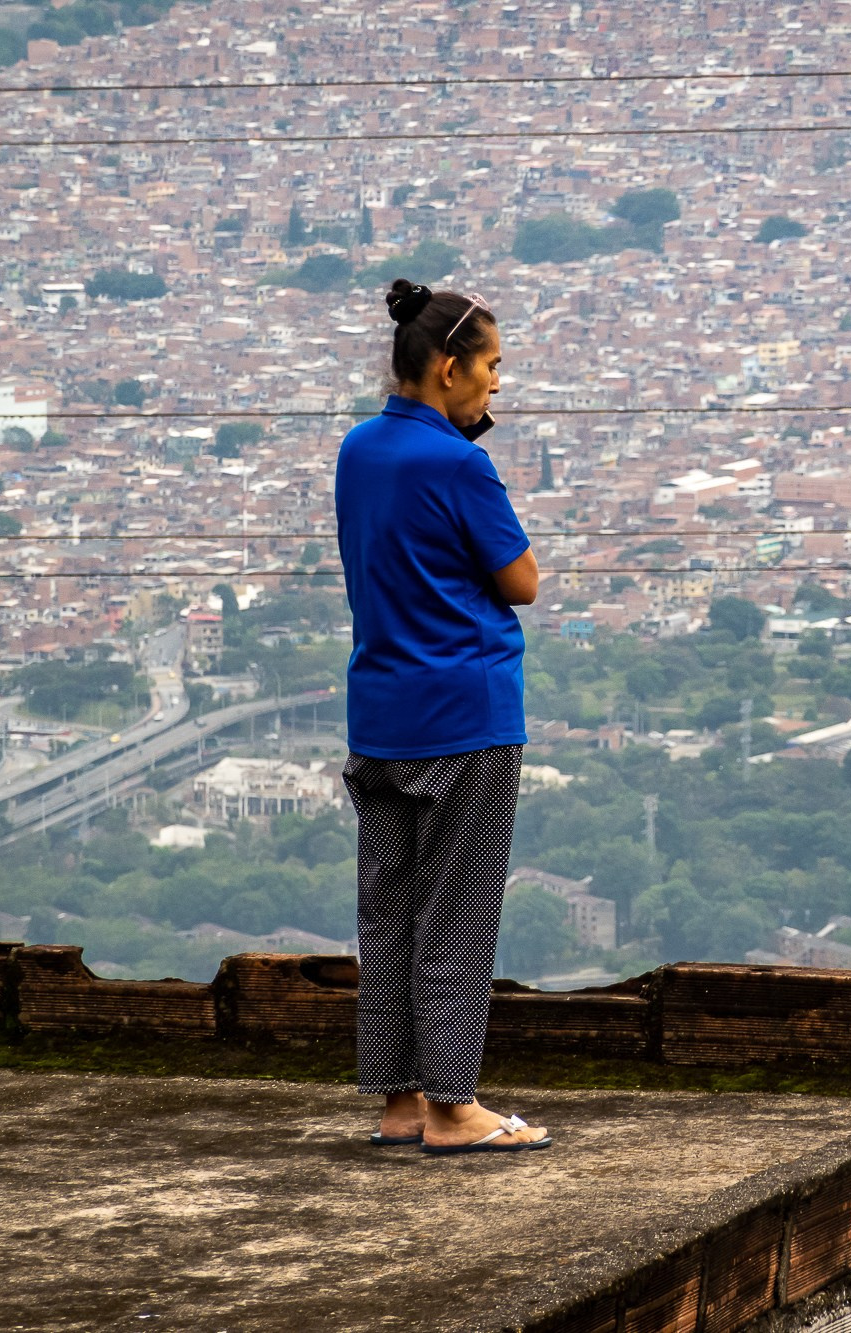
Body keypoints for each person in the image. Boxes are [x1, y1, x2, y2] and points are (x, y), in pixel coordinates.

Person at [332, 278, 550, 1155]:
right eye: (492, 368)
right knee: (456, 914)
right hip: (466, 710)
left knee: (389, 912)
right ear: (451, 368)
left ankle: (398, 1101)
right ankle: (456, 1109)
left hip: (379, 713)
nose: (498, 386)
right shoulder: (460, 463)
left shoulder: (358, 449)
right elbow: (522, 581)